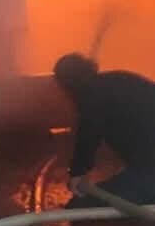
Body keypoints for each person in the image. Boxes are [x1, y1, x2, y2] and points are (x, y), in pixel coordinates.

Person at [53, 53, 155, 207]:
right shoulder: (121, 79)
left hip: (149, 172)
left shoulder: (91, 97)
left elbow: (88, 135)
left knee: (80, 206)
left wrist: (77, 173)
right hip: (146, 167)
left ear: (67, 84)